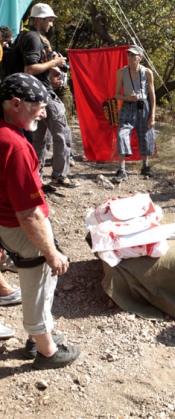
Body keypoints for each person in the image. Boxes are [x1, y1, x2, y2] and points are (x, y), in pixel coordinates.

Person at [0, 73, 81, 369]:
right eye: (39, 106)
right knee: (39, 278)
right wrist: (50, 252)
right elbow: (29, 214)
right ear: (16, 104)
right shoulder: (16, 146)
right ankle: (44, 350)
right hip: (17, 225)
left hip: (5, 223)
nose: (44, 112)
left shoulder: (6, 132)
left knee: (41, 278)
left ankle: (41, 334)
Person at [20, 4, 78, 189]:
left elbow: (33, 67)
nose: (51, 25)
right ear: (39, 19)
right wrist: (55, 62)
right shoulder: (35, 38)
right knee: (62, 132)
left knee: (39, 137)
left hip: (35, 93)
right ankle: (59, 175)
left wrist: (49, 72)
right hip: (42, 94)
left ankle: (35, 178)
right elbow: (30, 69)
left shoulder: (24, 36)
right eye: (49, 20)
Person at [113, 45, 156, 182]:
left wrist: (153, 115)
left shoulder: (147, 72)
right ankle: (122, 169)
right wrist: (127, 98)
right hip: (127, 106)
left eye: (134, 55)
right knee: (122, 134)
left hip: (143, 106)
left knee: (145, 135)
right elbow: (116, 95)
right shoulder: (121, 72)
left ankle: (145, 166)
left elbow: (152, 94)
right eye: (129, 55)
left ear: (140, 57)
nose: (131, 57)